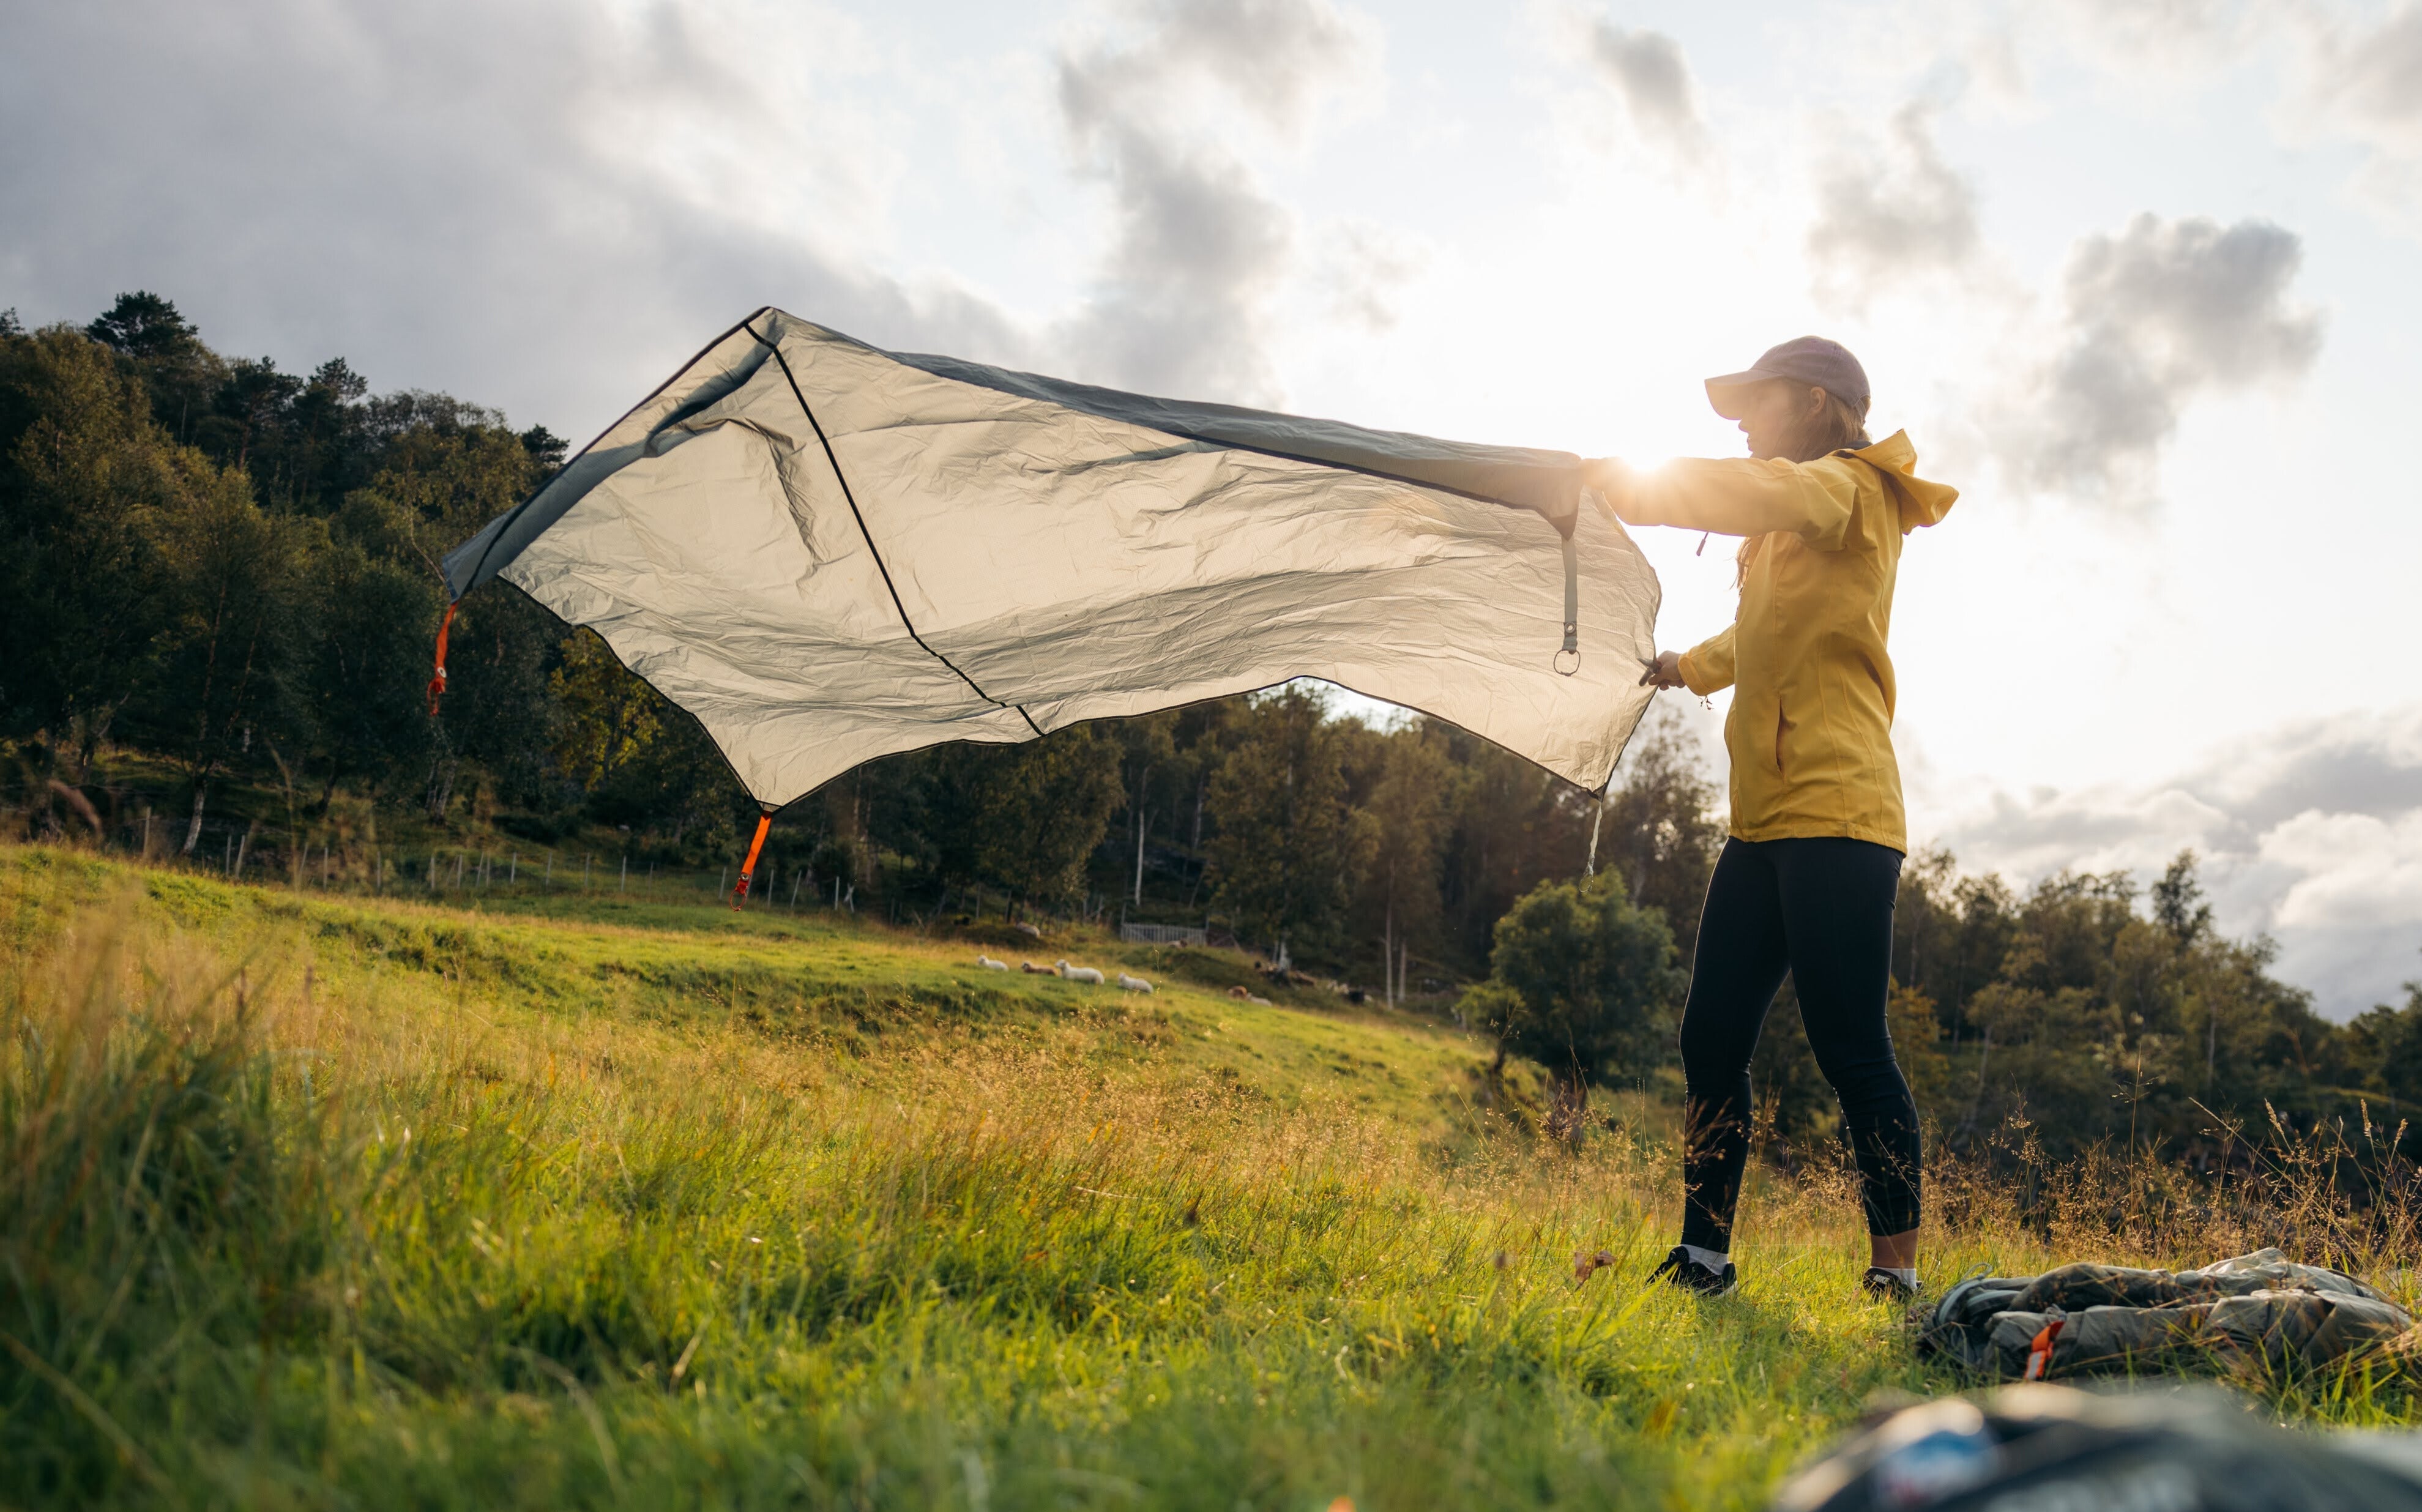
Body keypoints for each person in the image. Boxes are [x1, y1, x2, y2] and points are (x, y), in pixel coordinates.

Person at [1583, 337, 1958, 1303]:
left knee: (1849, 1048)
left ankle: (1895, 1276)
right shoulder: (1795, 517)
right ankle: (1703, 1257)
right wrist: (1684, 668)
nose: (1742, 423)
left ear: (1813, 401)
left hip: (1839, 816)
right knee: (1710, 1037)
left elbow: (1754, 494)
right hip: (1759, 824)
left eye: (1754, 404)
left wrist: (1612, 484)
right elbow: (1758, 633)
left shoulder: (1846, 491)